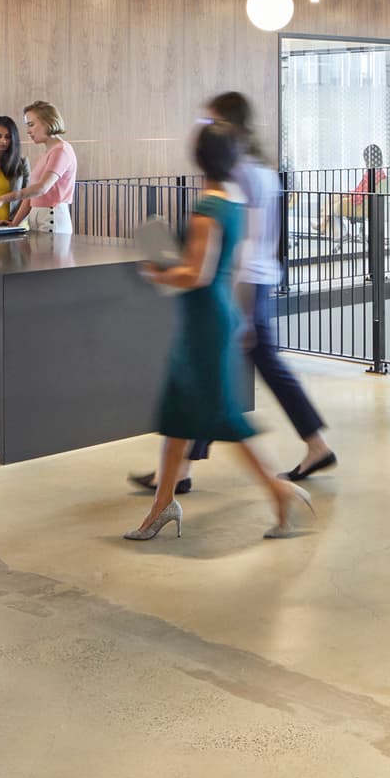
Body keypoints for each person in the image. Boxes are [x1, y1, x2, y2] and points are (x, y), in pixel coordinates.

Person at [130, 93, 335, 496]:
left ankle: (186, 468)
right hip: (252, 280)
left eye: (210, 123)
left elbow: (245, 244)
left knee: (222, 377)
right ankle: (183, 467)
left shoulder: (242, 177)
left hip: (245, 283)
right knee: (221, 378)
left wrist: (234, 302)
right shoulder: (260, 173)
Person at [0, 101, 77, 233]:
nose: (28, 131)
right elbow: (31, 197)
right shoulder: (44, 155)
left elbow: (42, 188)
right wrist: (14, 224)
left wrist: (3, 198)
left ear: (48, 122)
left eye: (31, 125)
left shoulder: (61, 151)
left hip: (52, 218)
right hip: (38, 218)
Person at [316, 142, 387, 236]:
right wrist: (349, 193)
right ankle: (323, 225)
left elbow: (361, 196)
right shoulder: (380, 173)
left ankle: (339, 233)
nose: (365, 162)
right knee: (333, 197)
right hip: (364, 201)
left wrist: (348, 195)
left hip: (360, 205)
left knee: (332, 202)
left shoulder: (372, 174)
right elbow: (363, 191)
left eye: (366, 160)